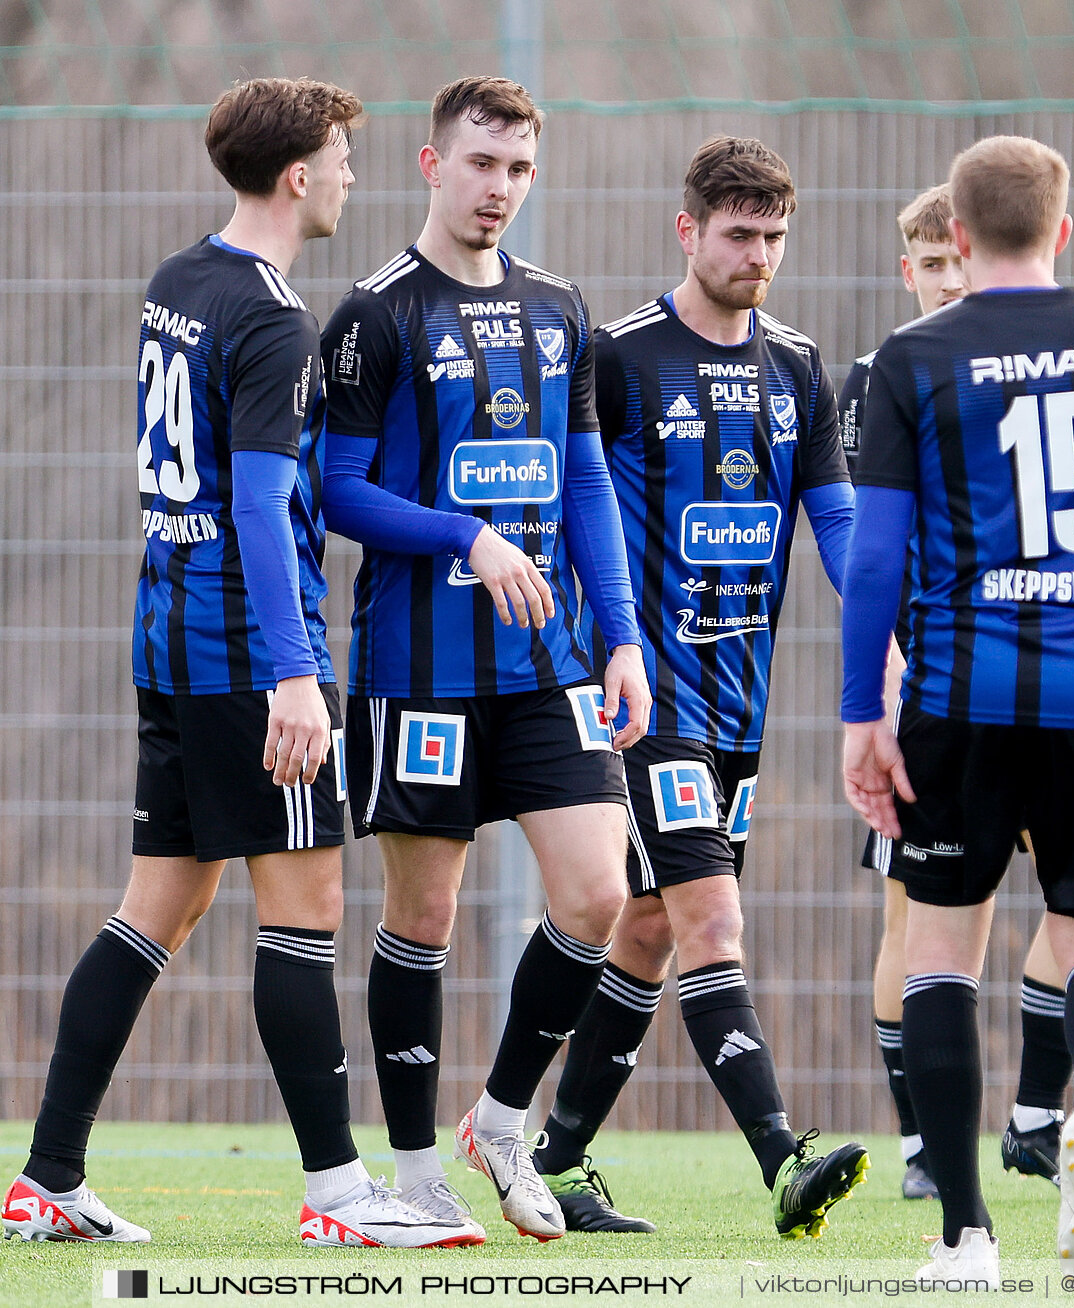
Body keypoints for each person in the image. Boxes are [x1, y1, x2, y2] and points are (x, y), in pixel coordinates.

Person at [3, 77, 478, 1251]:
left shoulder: (181, 280)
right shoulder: (271, 317)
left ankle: (47, 1178)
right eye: (344, 157)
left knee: (157, 904)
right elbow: (264, 512)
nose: (356, 175)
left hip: (167, 643)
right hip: (242, 656)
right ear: (299, 176)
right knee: (307, 903)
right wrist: (295, 674)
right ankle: (337, 1196)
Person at [841, 136, 1074, 1283]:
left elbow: (877, 561)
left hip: (961, 694)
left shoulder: (914, 357)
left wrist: (866, 715)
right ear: (1061, 229)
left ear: (956, 236)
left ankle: (964, 1235)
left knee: (944, 952)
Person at [319, 76, 649, 1244]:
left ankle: (502, 1121)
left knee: (600, 893)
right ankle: (414, 1172)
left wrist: (620, 636)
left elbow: (590, 479)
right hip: (420, 671)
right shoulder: (374, 316)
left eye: (517, 170)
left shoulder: (563, 310)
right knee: (426, 916)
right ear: (430, 164)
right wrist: (466, 532)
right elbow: (336, 490)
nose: (499, 189)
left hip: (551, 665)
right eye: (480, 165)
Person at [528, 137, 868, 1239]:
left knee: (646, 932)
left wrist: (896, 633)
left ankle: (553, 1159)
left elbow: (840, 522)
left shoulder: (798, 368)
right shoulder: (619, 357)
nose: (758, 255)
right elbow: (574, 500)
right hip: (642, 697)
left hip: (739, 709)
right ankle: (784, 1159)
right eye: (738, 234)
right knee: (710, 915)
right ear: (689, 231)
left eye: (774, 236)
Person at [838, 184, 1074, 1198]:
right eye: (928, 265)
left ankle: (1032, 1119)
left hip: (1051, 684)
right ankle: (925, 1145)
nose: (948, 278)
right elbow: (866, 549)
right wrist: (881, 681)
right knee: (924, 924)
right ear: (910, 272)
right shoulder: (882, 378)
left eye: (959, 259)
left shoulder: (1045, 369)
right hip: (931, 692)